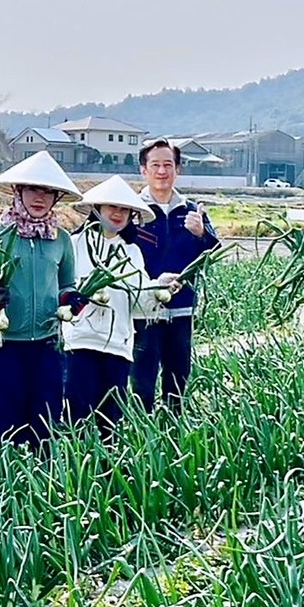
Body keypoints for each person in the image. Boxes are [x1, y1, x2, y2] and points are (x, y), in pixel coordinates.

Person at [0, 151, 82, 454]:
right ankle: (4, 478)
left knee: (47, 418)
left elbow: (66, 284)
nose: (40, 197)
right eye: (33, 189)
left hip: (48, 344)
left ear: (56, 198)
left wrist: (71, 302)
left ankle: (41, 486)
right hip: (4, 344)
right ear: (17, 192)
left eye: (48, 191)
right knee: (3, 416)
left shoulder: (61, 240)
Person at [62, 175, 174, 440]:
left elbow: (138, 303)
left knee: (109, 423)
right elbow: (62, 289)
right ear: (96, 209)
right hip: (79, 343)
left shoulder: (132, 252)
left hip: (117, 346)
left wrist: (159, 289)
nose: (118, 213)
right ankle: (72, 473)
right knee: (74, 417)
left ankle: (106, 472)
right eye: (111, 206)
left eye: (124, 209)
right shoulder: (74, 244)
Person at [127, 138, 219, 414]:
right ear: (143, 170)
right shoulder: (132, 210)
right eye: (155, 165)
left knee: (177, 379)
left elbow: (212, 253)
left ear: (177, 169)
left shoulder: (192, 211)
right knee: (141, 381)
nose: (162, 171)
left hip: (181, 309)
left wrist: (202, 234)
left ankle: (172, 432)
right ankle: (142, 438)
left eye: (168, 165)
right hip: (143, 310)